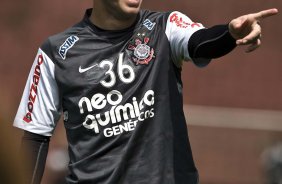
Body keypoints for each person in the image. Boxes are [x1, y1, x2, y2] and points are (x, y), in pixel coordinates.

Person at [14, 0, 278, 183]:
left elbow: (201, 43)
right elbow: (36, 136)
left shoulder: (164, 26)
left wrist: (230, 34)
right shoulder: (55, 53)